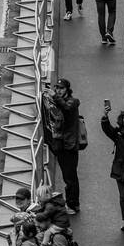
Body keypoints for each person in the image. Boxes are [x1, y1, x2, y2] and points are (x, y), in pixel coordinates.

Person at [42, 79, 82, 214]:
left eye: (61, 88)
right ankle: (71, 203)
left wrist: (54, 96)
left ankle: (73, 205)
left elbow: (66, 108)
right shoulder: (58, 101)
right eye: (57, 88)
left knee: (70, 177)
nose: (58, 91)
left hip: (69, 146)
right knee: (68, 176)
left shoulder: (73, 101)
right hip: (60, 144)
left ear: (67, 90)